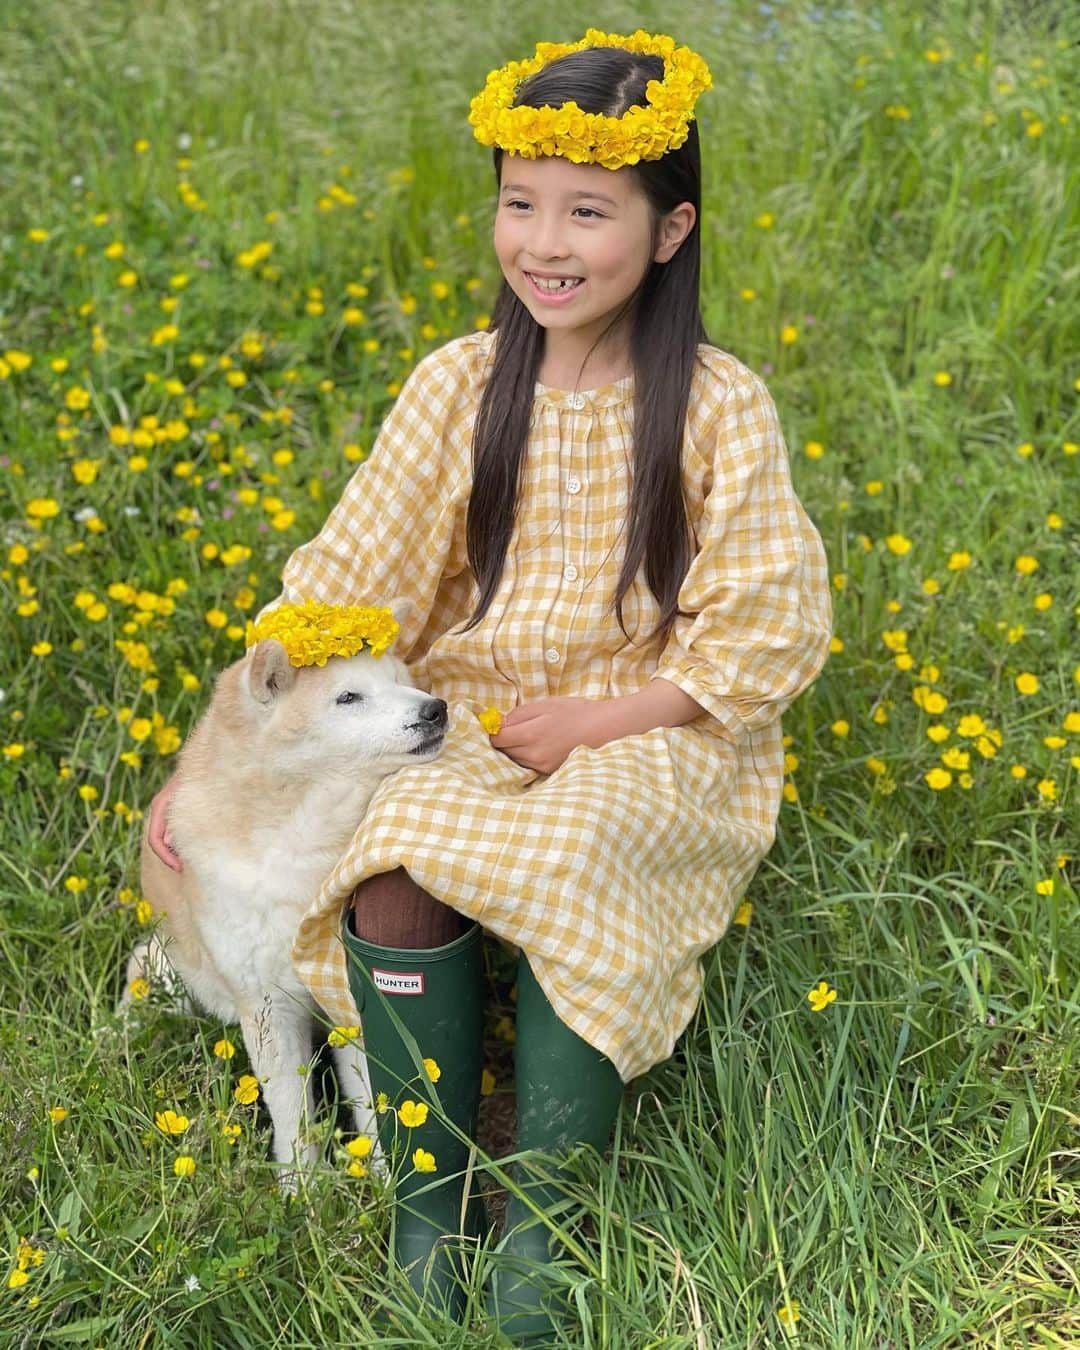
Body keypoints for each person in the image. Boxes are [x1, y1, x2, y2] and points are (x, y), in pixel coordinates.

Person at [147, 27, 832, 1342]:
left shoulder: (715, 404)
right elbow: (339, 584)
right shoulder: (461, 382)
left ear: (671, 228)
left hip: (659, 716)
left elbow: (767, 624)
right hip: (472, 702)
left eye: (589, 211)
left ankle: (540, 1209)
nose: (546, 242)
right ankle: (428, 1190)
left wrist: (611, 714)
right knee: (394, 870)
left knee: (578, 842)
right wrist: (207, 759)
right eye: (521, 205)